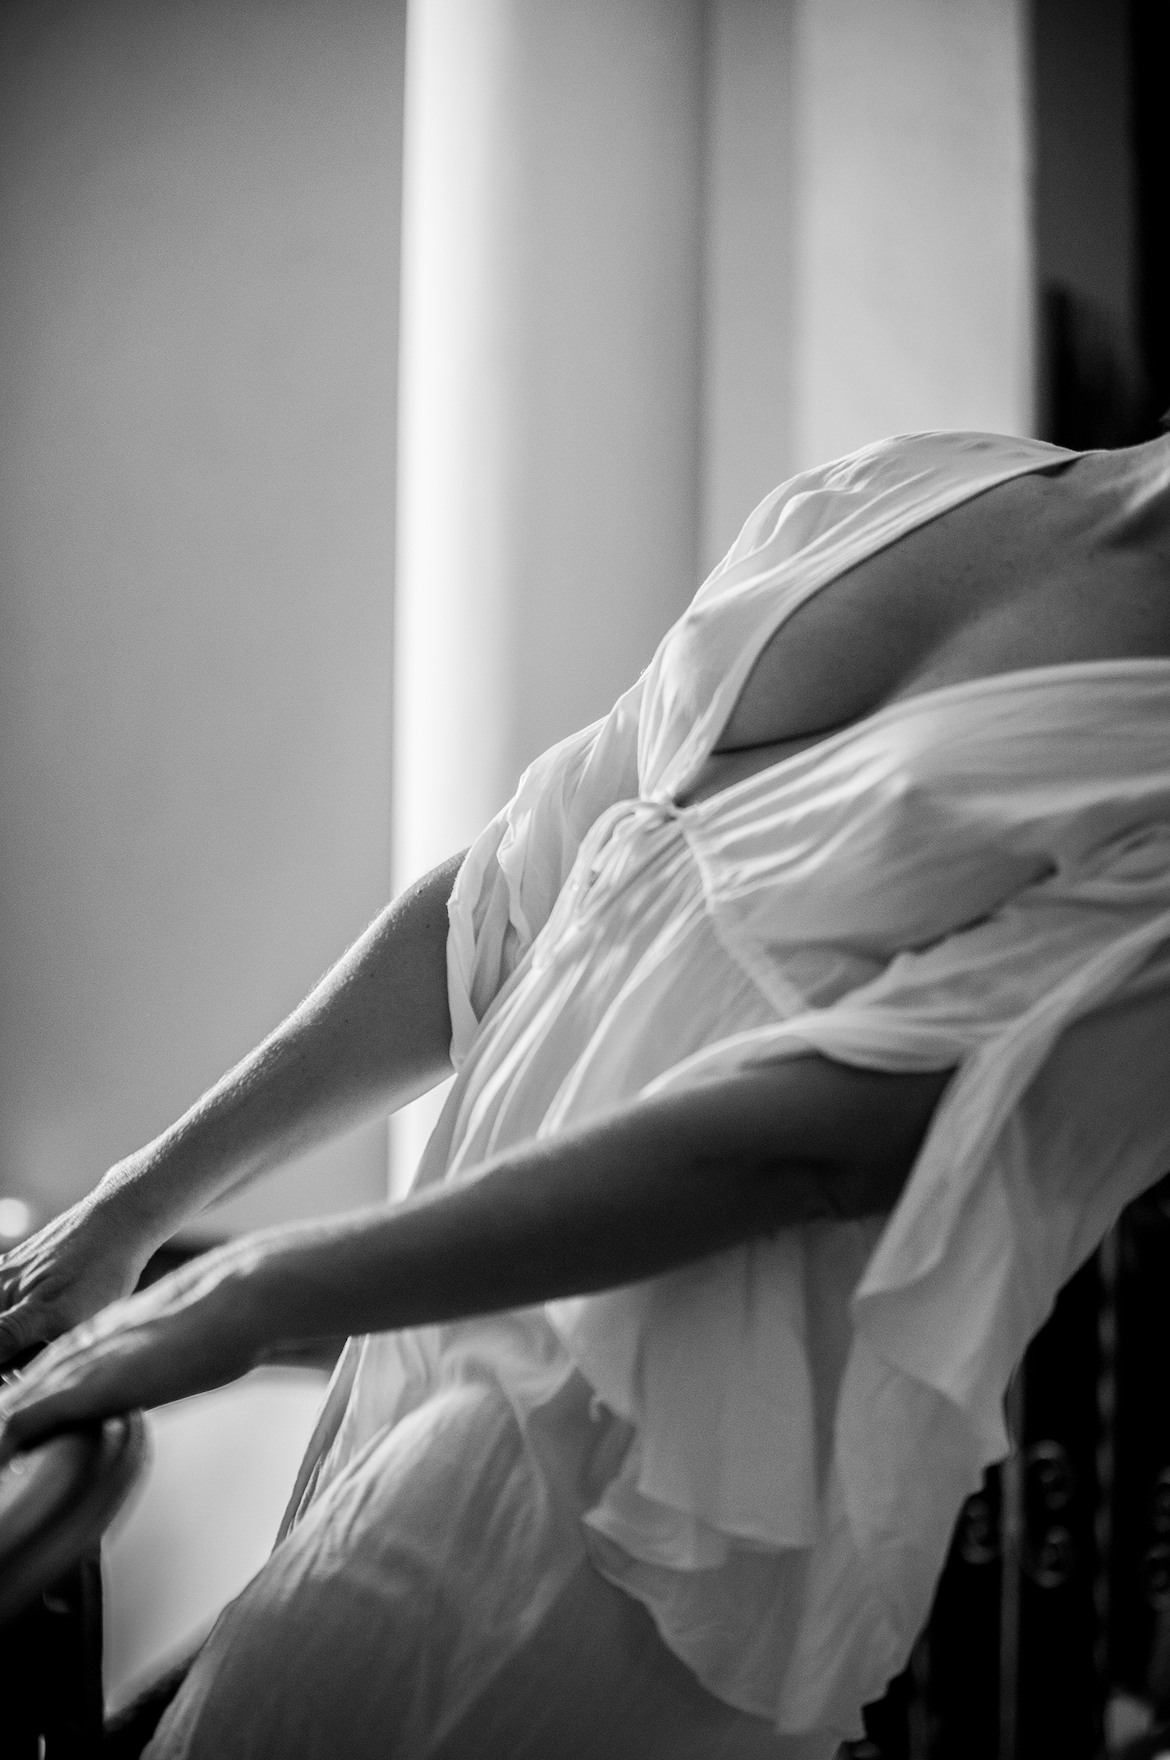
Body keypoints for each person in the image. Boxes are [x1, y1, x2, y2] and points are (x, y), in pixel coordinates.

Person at [3, 428, 1170, 1758]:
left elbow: (825, 1137)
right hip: (438, 1317)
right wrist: (135, 1209)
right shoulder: (917, 483)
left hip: (671, 1457)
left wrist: (256, 1292)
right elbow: (504, 894)